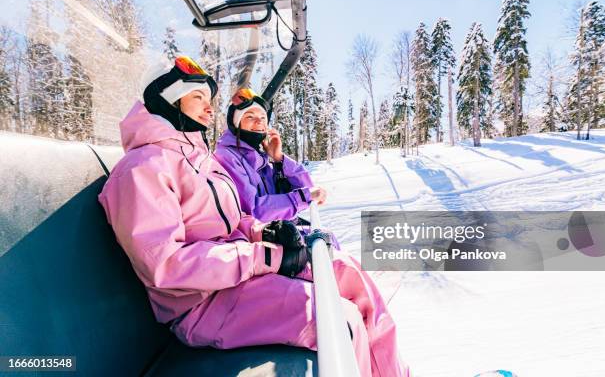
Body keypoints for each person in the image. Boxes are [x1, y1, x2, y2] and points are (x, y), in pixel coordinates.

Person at [98, 56, 407, 376]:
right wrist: (264, 256)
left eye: (209, 99)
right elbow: (167, 265)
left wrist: (264, 232)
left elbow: (235, 218)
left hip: (240, 277)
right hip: (202, 304)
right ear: (168, 100)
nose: (208, 108)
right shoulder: (142, 169)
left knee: (345, 271)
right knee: (341, 322)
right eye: (197, 97)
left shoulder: (199, 159)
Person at [214, 88, 340, 249]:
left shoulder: (260, 157)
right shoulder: (227, 157)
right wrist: (304, 196)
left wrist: (279, 158)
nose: (259, 122)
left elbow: (306, 187)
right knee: (332, 256)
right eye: (250, 117)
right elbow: (254, 210)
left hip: (280, 232)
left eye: (262, 117)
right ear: (236, 123)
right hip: (255, 240)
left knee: (329, 242)